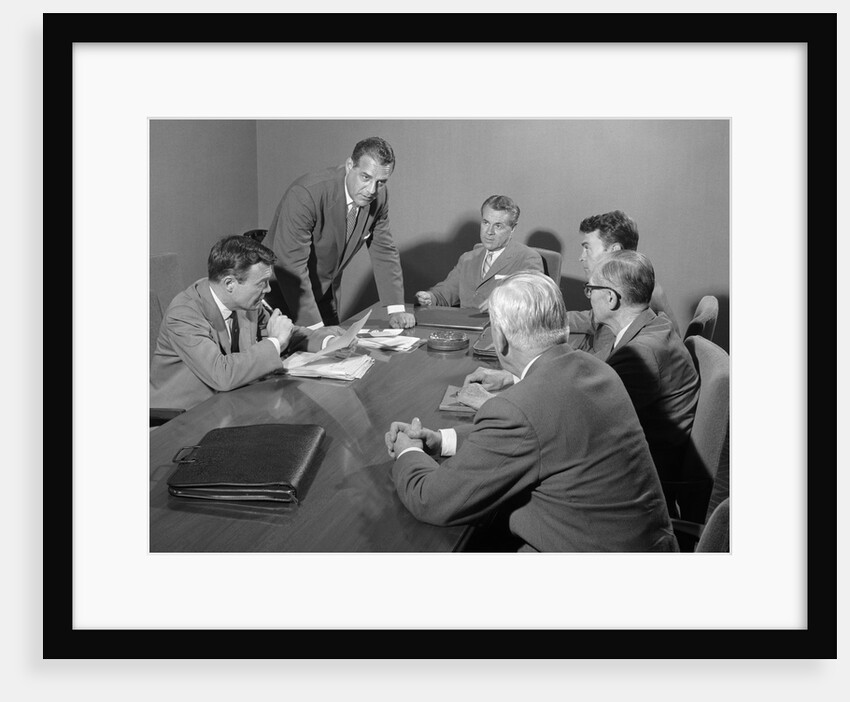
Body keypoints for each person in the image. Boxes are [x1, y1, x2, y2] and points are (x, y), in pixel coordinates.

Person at [385, 271, 677, 552]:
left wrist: (408, 451)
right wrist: (442, 439)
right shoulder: (597, 369)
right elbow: (538, 434)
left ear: (500, 338)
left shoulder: (519, 410)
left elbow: (431, 500)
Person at [462, 251, 700, 517]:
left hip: (633, 487)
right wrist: (514, 376)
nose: (588, 296)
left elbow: (569, 420)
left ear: (610, 298)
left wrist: (495, 404)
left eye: (590, 289)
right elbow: (590, 370)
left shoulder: (639, 355)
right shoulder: (653, 325)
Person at [150, 235, 341, 411]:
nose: (268, 289)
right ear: (229, 284)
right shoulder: (184, 314)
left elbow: (287, 334)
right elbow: (222, 375)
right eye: (262, 283)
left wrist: (330, 343)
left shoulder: (245, 303)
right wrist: (276, 341)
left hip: (231, 404)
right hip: (182, 418)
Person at [266, 136, 415, 330]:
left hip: (324, 292)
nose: (372, 190)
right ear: (349, 165)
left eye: (381, 182)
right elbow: (290, 265)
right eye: (366, 177)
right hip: (280, 293)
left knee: (338, 346)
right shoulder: (306, 194)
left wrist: (396, 309)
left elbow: (384, 250)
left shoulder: (379, 197)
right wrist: (315, 330)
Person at [568, 209, 679, 357]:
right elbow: (591, 318)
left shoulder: (632, 297)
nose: (581, 257)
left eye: (587, 248)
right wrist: (548, 320)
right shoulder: (633, 283)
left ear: (615, 251)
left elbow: (604, 362)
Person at [414, 195, 543, 310]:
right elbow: (446, 291)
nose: (489, 232)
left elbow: (533, 297)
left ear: (513, 228)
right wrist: (431, 297)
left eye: (498, 226)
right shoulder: (468, 258)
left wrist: (500, 301)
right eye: (486, 223)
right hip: (464, 325)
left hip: (501, 327)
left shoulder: (527, 258)